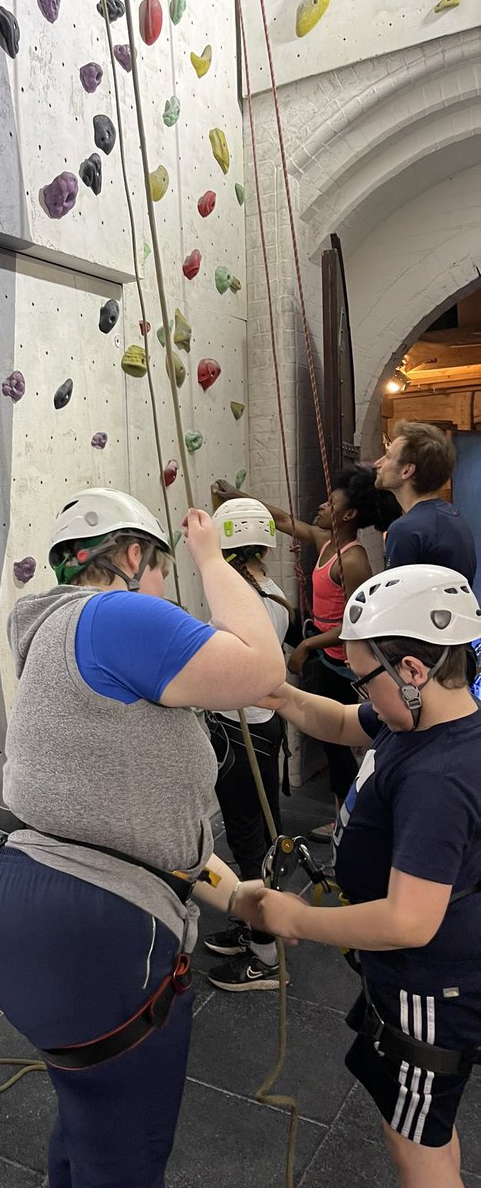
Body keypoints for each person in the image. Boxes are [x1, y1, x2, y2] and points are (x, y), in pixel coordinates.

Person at [0, 488, 286, 1188]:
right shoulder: (115, 614)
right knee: (128, 1153)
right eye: (163, 570)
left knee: (89, 1119)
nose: (165, 591)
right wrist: (211, 557)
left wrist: (231, 896)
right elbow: (263, 674)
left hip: (27, 895)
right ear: (135, 554)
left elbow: (125, 816)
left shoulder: (52, 631)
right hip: (96, 928)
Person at [240, 564, 481, 1188]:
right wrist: (287, 698)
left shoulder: (439, 777)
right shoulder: (421, 722)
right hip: (415, 978)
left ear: (412, 670)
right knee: (422, 1122)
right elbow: (346, 724)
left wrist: (297, 918)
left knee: (415, 1149)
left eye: (361, 675)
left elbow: (408, 920)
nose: (357, 690)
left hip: (431, 986)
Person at [213, 467, 400, 837]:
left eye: (331, 503)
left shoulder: (352, 560)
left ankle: (351, 824)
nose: (321, 505)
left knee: (341, 745)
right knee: (332, 744)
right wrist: (239, 497)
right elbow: (281, 519)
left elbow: (354, 624)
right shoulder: (323, 539)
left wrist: (306, 644)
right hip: (327, 658)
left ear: (348, 516)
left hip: (346, 665)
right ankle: (342, 818)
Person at [202, 499, 295, 991]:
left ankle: (265, 954)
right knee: (263, 829)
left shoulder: (241, 600)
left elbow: (226, 662)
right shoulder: (272, 592)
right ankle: (255, 926)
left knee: (247, 837)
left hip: (243, 732)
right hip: (260, 727)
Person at [374, 421, 477, 584]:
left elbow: (397, 602)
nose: (377, 464)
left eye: (388, 456)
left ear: (406, 470)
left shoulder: (405, 530)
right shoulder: (453, 517)